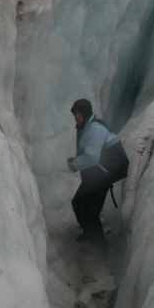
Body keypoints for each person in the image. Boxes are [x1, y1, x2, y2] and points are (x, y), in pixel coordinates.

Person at [67, 99, 118, 243]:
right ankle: (90, 233)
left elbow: (92, 157)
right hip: (98, 174)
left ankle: (99, 248)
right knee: (79, 203)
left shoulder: (95, 129)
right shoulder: (86, 127)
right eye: (75, 114)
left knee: (89, 210)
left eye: (78, 114)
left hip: (103, 175)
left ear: (85, 113)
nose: (76, 117)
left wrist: (75, 164)